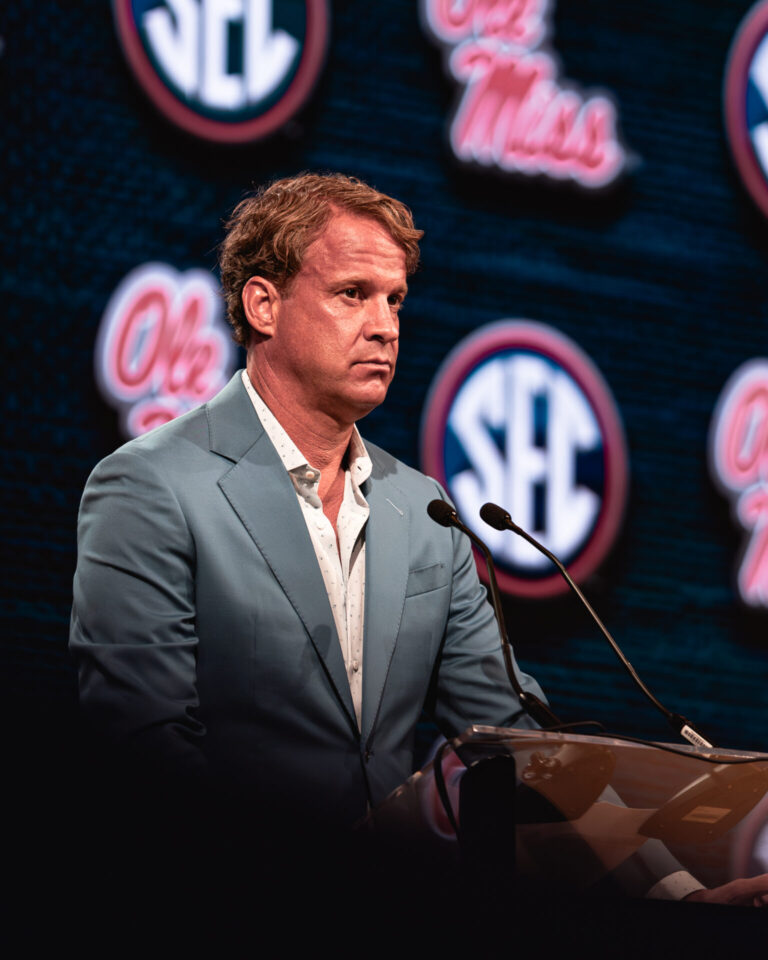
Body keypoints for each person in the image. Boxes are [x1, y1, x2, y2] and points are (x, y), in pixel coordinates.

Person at [70, 173, 766, 912]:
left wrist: (677, 896)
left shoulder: (421, 507)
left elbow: (522, 751)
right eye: (352, 294)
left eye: (395, 299)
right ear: (262, 304)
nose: (386, 325)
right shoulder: (152, 487)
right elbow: (142, 751)